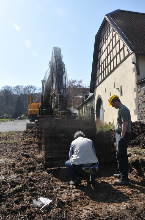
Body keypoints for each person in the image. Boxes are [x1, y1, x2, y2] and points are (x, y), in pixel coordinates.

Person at [108, 95, 131, 185]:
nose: (112, 106)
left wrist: (122, 136)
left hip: (123, 136)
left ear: (115, 101)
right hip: (121, 135)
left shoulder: (123, 109)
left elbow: (125, 123)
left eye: (112, 104)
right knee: (119, 155)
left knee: (122, 156)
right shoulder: (121, 109)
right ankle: (122, 174)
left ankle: (124, 179)